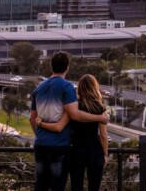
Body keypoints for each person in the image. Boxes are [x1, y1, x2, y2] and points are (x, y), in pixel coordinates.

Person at [30, 52, 109, 191]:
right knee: (57, 185)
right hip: (59, 146)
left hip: (41, 145)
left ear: (51, 66)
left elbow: (32, 118)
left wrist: (41, 133)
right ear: (67, 67)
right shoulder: (66, 87)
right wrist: (101, 117)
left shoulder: (38, 88)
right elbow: (74, 114)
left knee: (41, 184)